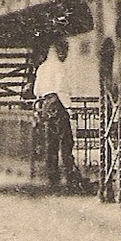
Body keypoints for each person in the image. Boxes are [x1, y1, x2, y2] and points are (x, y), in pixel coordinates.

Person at [32, 40, 82, 187]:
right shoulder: (59, 67)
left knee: (51, 143)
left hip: (46, 105)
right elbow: (61, 89)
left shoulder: (42, 68)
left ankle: (52, 176)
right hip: (58, 104)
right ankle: (69, 175)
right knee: (66, 142)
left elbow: (37, 91)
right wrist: (69, 107)